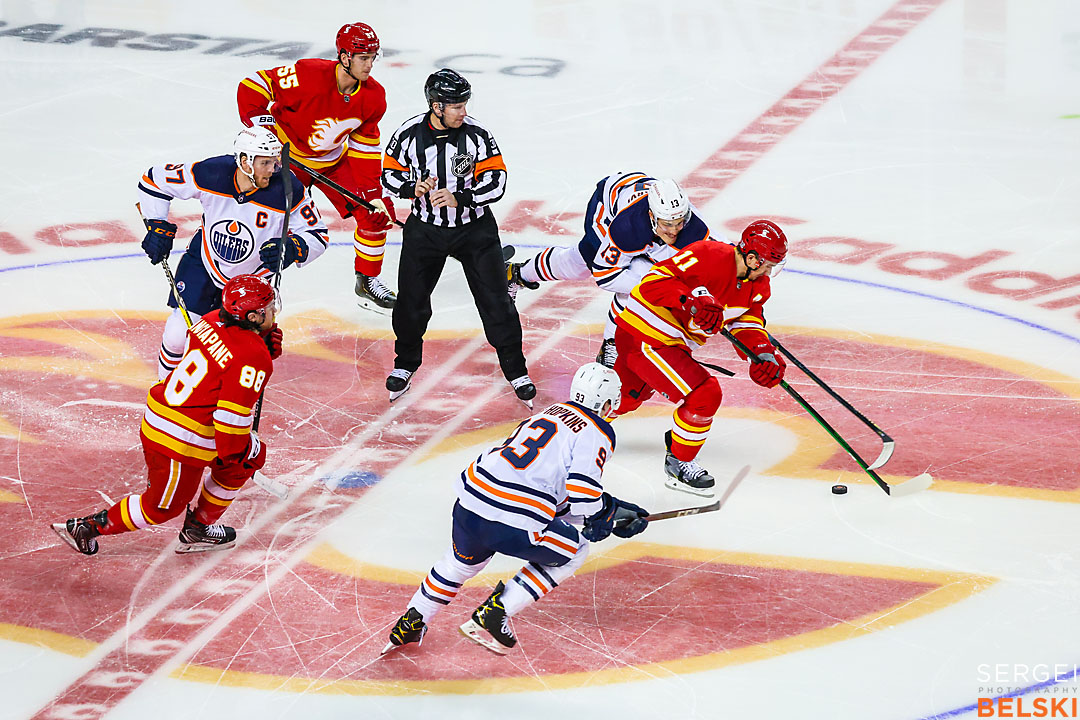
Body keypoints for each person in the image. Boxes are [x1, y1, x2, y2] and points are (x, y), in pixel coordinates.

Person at [382, 362, 649, 655]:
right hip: (513, 518)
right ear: (607, 402)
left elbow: (552, 498)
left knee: (460, 564)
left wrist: (609, 509)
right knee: (575, 550)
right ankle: (497, 611)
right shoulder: (598, 429)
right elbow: (582, 490)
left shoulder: (548, 413)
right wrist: (601, 514)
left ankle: (413, 619)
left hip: (471, 502)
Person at [51, 274, 282, 555]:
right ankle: (87, 527)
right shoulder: (252, 356)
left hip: (169, 415)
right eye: (268, 309)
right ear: (253, 317)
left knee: (246, 460)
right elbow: (230, 418)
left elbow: (221, 361)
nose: (274, 312)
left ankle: (198, 528)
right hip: (179, 439)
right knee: (161, 507)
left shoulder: (209, 320)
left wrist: (259, 341)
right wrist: (235, 454)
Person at [381, 68, 534, 406]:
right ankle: (404, 365)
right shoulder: (408, 134)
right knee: (411, 304)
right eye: (456, 106)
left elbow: (497, 181)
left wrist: (459, 197)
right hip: (425, 231)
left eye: (464, 104)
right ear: (436, 106)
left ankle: (516, 370)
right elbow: (388, 174)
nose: (463, 112)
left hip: (474, 230)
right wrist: (411, 187)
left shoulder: (477, 135)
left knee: (496, 302)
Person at [610, 221, 789, 496]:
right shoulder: (708, 255)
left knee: (627, 397)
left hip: (671, 344)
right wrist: (689, 301)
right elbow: (652, 284)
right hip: (645, 335)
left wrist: (762, 353)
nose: (769, 272)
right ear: (752, 259)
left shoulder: (759, 286)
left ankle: (561, 431)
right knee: (704, 394)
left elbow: (746, 321)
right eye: (768, 265)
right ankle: (679, 462)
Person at [137, 126, 328, 379]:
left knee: (241, 354)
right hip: (204, 264)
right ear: (245, 161)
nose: (273, 169)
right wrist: (157, 225)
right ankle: (164, 393)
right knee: (176, 336)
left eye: (275, 162)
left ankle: (219, 400)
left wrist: (293, 248)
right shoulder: (211, 173)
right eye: (265, 163)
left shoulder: (288, 187)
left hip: (252, 281)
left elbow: (319, 234)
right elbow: (153, 180)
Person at [237, 22, 398, 313]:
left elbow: (365, 147)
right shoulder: (307, 74)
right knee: (259, 215)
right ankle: (244, 280)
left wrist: (372, 193)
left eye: (373, 56)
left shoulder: (373, 96)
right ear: (345, 56)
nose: (370, 64)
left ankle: (367, 280)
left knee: (374, 215)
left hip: (333, 162)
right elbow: (254, 84)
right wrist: (262, 127)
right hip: (286, 159)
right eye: (364, 57)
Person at [507, 172, 715, 368]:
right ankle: (611, 344)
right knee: (590, 266)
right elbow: (606, 276)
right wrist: (662, 287)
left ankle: (517, 273)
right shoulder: (628, 228)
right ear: (652, 215)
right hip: (606, 209)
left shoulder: (689, 223)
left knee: (656, 271)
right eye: (667, 224)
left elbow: (725, 259)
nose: (675, 230)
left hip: (631, 197)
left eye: (679, 223)